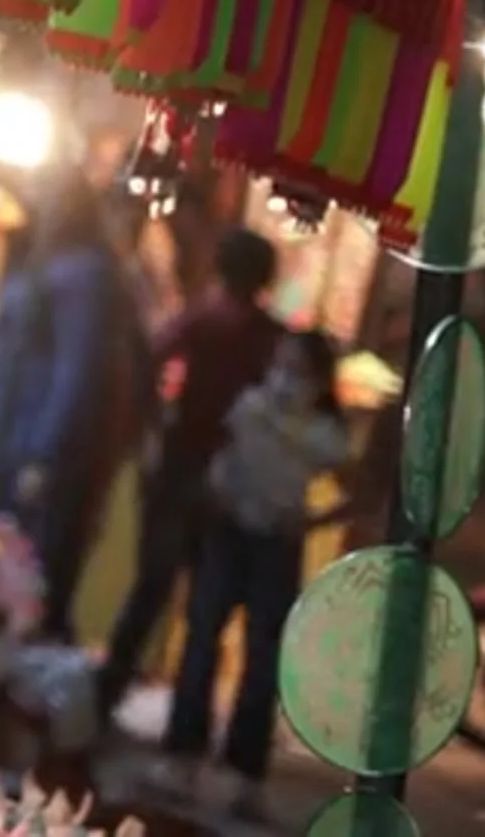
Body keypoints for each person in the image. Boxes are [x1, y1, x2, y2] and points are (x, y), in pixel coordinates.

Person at [97, 226, 284, 716]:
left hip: (182, 464)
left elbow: (151, 360)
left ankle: (106, 693)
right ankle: (188, 719)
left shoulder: (202, 318)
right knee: (207, 605)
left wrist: (154, 421)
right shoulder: (268, 335)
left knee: (151, 587)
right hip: (235, 480)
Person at [166, 330, 350, 819]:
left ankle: (245, 776)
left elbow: (361, 492)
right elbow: (221, 455)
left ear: (318, 381)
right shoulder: (249, 407)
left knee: (263, 659)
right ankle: (182, 756)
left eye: (298, 370)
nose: (285, 378)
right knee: (202, 639)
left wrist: (311, 522)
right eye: (281, 364)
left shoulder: (324, 436)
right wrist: (216, 489)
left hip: (276, 544)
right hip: (229, 532)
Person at [0, 185, 140, 610]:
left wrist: (42, 454)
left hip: (30, 441)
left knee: (17, 563)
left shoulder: (83, 273)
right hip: (9, 433)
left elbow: (73, 368)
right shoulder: (52, 263)